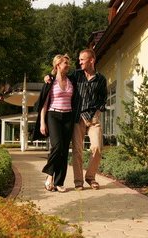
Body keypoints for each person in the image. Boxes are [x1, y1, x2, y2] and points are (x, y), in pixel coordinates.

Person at [45, 49, 107, 190]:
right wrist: (48, 76)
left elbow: (103, 99)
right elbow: (60, 76)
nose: (79, 62)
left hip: (93, 119)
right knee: (77, 151)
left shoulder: (101, 79)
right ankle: (78, 182)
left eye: (82, 60)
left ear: (91, 60)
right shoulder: (76, 75)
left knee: (97, 147)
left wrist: (98, 110)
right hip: (78, 117)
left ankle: (90, 177)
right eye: (79, 60)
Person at [33, 54, 74, 193]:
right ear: (57, 65)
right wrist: (42, 123)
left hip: (68, 116)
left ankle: (59, 182)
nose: (68, 65)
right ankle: (50, 175)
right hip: (53, 115)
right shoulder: (50, 82)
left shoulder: (71, 80)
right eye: (65, 63)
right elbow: (44, 104)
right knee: (57, 146)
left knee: (64, 151)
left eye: (68, 63)